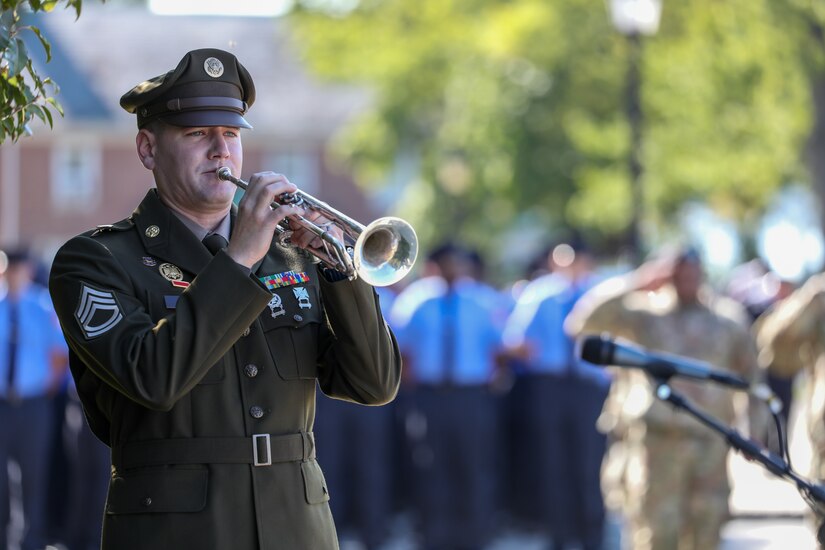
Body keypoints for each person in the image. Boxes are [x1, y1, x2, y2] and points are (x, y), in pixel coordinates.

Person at [47, 48, 401, 550]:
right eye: (197, 134)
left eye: (231, 134)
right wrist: (238, 259)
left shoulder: (288, 255)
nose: (221, 151)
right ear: (148, 149)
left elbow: (373, 384)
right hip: (176, 533)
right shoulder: (96, 260)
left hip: (297, 527)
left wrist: (340, 272)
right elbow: (153, 379)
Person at [565, 246, 763, 550]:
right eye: (678, 272)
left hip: (709, 442)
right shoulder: (645, 314)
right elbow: (583, 323)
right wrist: (637, 282)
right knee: (655, 535)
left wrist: (756, 431)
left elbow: (751, 379)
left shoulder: (727, 319)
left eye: (692, 272)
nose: (686, 279)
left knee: (707, 532)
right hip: (657, 445)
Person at [390, 243, 504, 550]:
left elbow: (501, 348)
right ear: (437, 265)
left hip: (471, 395)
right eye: (448, 262)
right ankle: (433, 535)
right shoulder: (416, 301)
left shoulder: (483, 300)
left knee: (474, 463)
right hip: (430, 396)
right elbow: (401, 351)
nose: (455, 268)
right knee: (430, 464)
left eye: (459, 262)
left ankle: (474, 535)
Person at [502, 240, 609, 550]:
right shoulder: (540, 293)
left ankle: (592, 535)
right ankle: (559, 535)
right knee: (553, 461)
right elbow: (516, 340)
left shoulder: (600, 293)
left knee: (590, 462)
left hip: (588, 387)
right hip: (550, 385)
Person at [0, 246, 68, 550]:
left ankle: (33, 540)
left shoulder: (43, 307)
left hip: (33, 405)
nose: (14, 275)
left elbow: (58, 356)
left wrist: (45, 390)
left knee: (34, 475)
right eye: (9, 270)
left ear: (27, 271)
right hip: (2, 405)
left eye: (19, 269)